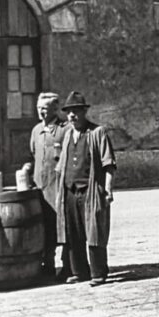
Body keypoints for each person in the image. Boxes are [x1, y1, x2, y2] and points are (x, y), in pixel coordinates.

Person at [55, 91, 116, 286]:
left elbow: (108, 164)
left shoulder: (98, 133)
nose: (72, 116)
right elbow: (62, 166)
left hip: (91, 191)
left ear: (84, 112)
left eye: (76, 112)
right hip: (71, 191)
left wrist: (108, 189)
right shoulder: (67, 135)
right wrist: (60, 193)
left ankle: (98, 273)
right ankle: (78, 271)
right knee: (73, 233)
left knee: (94, 231)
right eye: (69, 112)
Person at [29, 92, 69, 277]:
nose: (41, 112)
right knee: (44, 225)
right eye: (39, 108)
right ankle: (48, 263)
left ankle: (68, 263)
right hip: (40, 186)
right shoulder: (36, 130)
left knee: (62, 224)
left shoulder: (65, 129)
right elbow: (33, 154)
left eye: (45, 109)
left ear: (55, 109)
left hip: (58, 186)